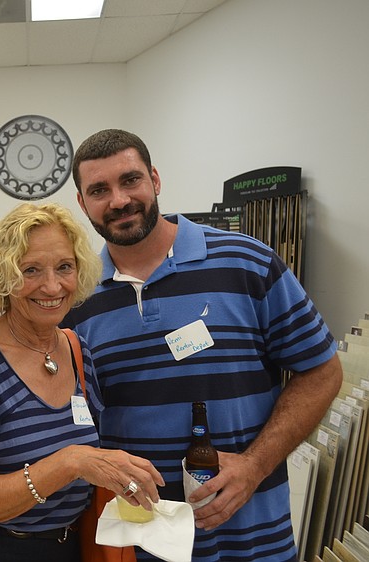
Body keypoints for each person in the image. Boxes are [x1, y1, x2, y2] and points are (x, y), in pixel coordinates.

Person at [62, 128, 343, 561]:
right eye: (99, 190)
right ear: (83, 203)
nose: (118, 200)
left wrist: (254, 466)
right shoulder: (76, 300)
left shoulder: (247, 263)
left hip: (253, 541)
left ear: (155, 180)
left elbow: (322, 371)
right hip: (142, 545)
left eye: (130, 180)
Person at [0, 202, 165, 562]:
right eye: (31, 270)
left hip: (69, 546)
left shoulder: (76, 349)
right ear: (4, 276)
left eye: (64, 267)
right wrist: (70, 462)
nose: (52, 286)